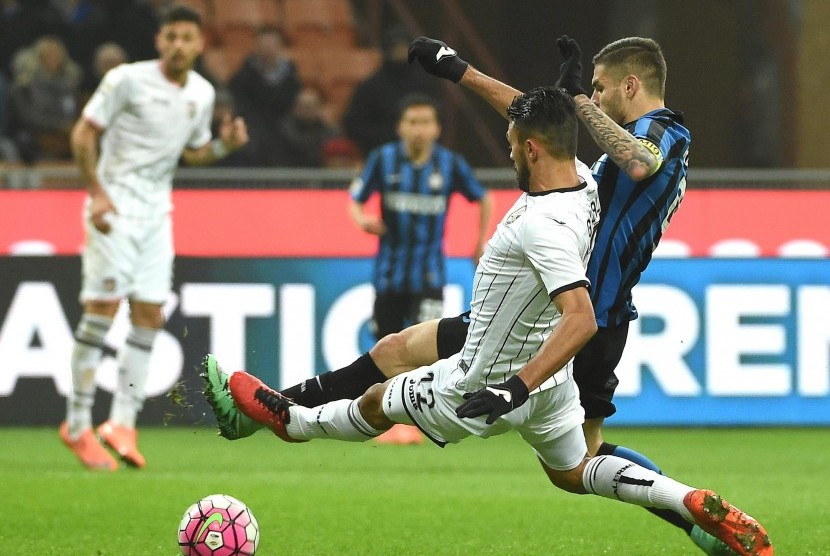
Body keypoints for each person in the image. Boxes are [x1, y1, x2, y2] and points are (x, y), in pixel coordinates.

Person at [205, 35, 764, 555]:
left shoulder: (661, 137)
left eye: (598, 87)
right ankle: (689, 510)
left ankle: (285, 418)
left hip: (573, 315)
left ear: (630, 86)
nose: (589, 98)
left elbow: (631, 158)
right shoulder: (586, 180)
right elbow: (539, 125)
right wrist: (459, 70)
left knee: (408, 398)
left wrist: (575, 101)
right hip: (549, 309)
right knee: (406, 350)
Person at [60, 4, 248, 471]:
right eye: (171, 37)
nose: (179, 45)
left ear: (201, 44)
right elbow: (83, 135)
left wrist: (225, 147)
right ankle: (77, 423)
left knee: (148, 314)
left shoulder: (201, 93)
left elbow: (194, 153)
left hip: (157, 213)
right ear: (159, 41)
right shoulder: (126, 79)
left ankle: (123, 423)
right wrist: (97, 193)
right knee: (102, 310)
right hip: (113, 205)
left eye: (188, 37)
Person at [349, 92, 492, 342]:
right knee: (384, 348)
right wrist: (362, 220)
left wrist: (479, 242)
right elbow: (355, 199)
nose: (419, 130)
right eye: (412, 122)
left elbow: (484, 198)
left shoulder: (449, 163)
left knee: (423, 347)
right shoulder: (383, 159)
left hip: (430, 275)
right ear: (400, 127)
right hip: (389, 276)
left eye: (425, 122)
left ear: (437, 128)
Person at [341, 26, 441, 157]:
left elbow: (438, 117)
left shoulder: (425, 85)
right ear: (387, 51)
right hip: (381, 155)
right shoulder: (370, 88)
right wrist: (386, 137)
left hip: (423, 155)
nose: (400, 53)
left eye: (404, 49)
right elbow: (354, 124)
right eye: (396, 49)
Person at [229, 26, 301, 167]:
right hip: (253, 134)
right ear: (256, 47)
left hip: (284, 134)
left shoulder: (292, 78)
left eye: (272, 45)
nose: (268, 49)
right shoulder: (242, 78)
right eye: (264, 45)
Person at [275, 86, 338, 167]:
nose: (303, 111)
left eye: (308, 107)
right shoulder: (283, 131)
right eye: (300, 107)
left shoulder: (329, 132)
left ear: (319, 109)